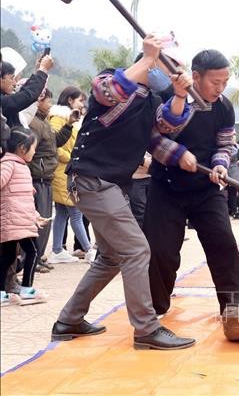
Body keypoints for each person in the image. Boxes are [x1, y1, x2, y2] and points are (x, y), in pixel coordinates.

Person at [51, 35, 194, 350]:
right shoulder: (112, 78)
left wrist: (181, 95)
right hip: (92, 179)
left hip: (110, 184)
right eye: (171, 68)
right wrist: (148, 59)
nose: (173, 74)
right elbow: (108, 92)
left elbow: (167, 126)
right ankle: (146, 329)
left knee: (112, 257)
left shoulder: (152, 101)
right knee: (137, 250)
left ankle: (69, 319)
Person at [145, 49, 239, 318]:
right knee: (161, 251)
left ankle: (236, 308)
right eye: (215, 82)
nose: (221, 88)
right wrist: (178, 155)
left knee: (224, 244)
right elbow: (154, 138)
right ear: (195, 77)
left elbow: (226, 144)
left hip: (205, 188)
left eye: (225, 82)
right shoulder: (168, 95)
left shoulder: (224, 106)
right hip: (166, 186)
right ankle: (155, 310)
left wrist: (219, 164)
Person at [1, 127, 50, 305]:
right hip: (14, 221)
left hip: (20, 221)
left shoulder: (21, 167)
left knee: (7, 258)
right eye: (33, 148)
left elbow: (26, 198)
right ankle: (27, 288)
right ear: (22, 148)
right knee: (33, 251)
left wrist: (35, 216)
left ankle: (2, 292)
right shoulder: (9, 165)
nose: (35, 151)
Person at [28, 89, 75, 269]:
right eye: (48, 101)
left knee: (46, 221)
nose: (50, 105)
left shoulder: (43, 122)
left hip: (46, 177)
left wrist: (69, 125)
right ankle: (32, 259)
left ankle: (38, 257)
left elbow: (54, 142)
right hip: (38, 177)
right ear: (38, 101)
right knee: (39, 222)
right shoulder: (34, 124)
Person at [48, 87, 94, 264]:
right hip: (63, 171)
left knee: (62, 213)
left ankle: (57, 250)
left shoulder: (70, 118)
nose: (82, 104)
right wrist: (72, 159)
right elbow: (55, 146)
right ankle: (89, 250)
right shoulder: (59, 118)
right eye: (80, 100)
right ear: (70, 100)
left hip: (67, 171)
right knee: (75, 212)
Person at [1, 54, 53, 128]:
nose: (15, 83)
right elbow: (26, 96)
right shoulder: (3, 101)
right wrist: (43, 70)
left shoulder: (6, 97)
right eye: (11, 78)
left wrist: (39, 71)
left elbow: (24, 93)